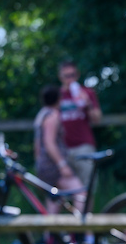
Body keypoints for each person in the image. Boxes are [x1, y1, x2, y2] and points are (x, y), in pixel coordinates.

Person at [34, 84, 84, 214]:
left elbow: (37, 145)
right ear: (58, 99)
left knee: (54, 200)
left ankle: (50, 234)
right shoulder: (53, 115)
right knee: (80, 193)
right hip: (53, 166)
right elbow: (49, 143)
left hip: (43, 165)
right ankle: (80, 231)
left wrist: (39, 163)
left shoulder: (41, 115)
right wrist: (62, 165)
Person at [57, 60, 102, 188]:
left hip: (84, 146)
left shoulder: (87, 93)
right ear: (60, 77)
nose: (70, 79)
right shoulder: (56, 96)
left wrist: (87, 104)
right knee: (62, 189)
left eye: (72, 75)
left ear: (77, 75)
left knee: (88, 187)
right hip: (62, 149)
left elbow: (97, 119)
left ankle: (87, 209)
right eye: (66, 76)